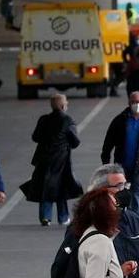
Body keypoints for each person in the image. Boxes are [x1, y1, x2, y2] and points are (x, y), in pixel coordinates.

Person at [23, 93, 83, 226]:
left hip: (43, 159)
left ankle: (45, 217)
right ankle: (63, 217)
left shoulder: (43, 119)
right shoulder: (68, 120)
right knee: (61, 187)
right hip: (61, 159)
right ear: (63, 105)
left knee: (45, 187)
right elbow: (75, 142)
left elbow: (35, 137)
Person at [100, 92, 139, 216]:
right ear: (129, 103)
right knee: (121, 192)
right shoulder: (120, 121)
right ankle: (123, 218)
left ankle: (136, 219)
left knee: (138, 191)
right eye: (134, 102)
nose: (137, 105)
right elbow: (108, 143)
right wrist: (106, 163)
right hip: (122, 165)